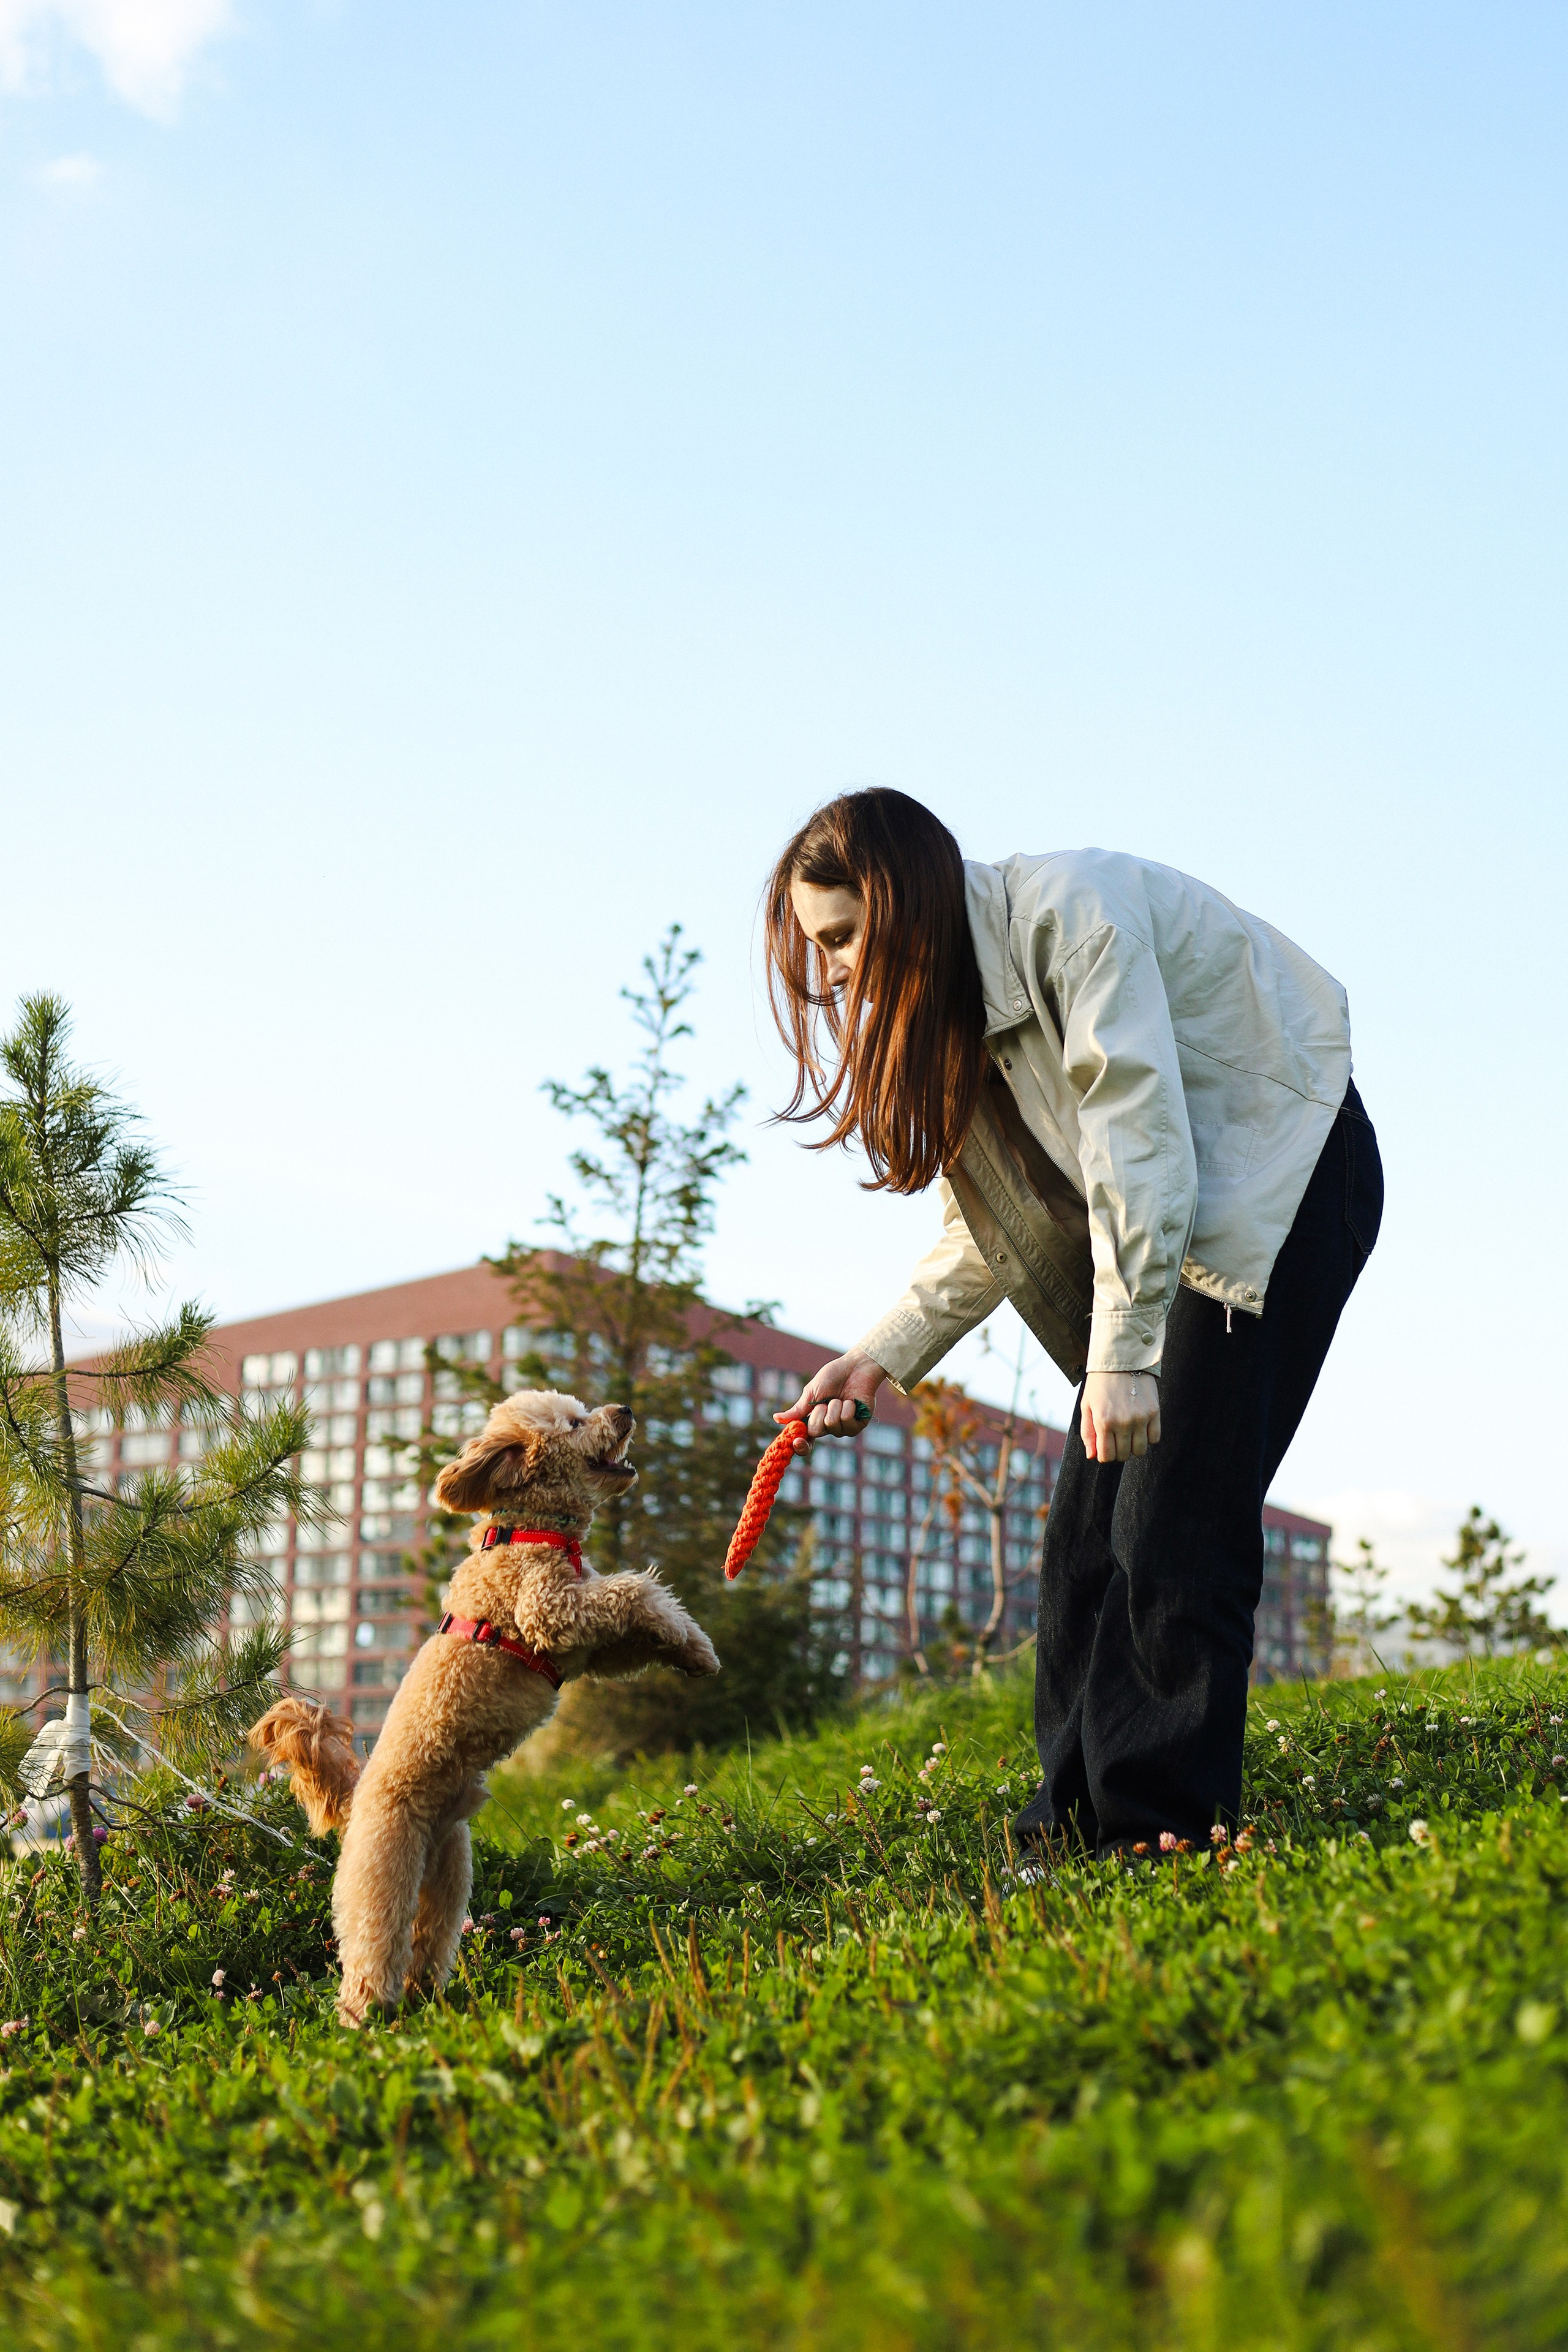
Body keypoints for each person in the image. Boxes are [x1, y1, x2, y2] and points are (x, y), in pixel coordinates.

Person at [766, 788, 1382, 1856]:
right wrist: (879, 1357)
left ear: (906, 898)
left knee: (1172, 1522)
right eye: (818, 947)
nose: (833, 973)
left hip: (1279, 1180)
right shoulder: (954, 1010)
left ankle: (1159, 1832)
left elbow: (1137, 1137)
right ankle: (1072, 1822)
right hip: (1166, 1219)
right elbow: (984, 1227)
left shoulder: (1071, 912)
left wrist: (1126, 1357)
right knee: (1083, 1544)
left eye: (845, 936)